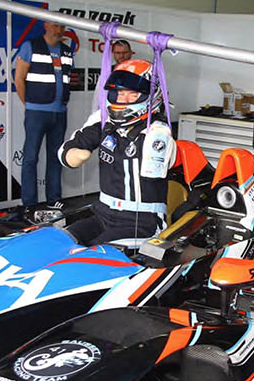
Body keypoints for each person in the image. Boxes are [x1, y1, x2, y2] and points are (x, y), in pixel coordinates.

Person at [58, 59, 176, 246]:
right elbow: (68, 150)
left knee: (88, 258)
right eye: (120, 93)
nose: (124, 99)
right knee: (59, 241)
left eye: (132, 94)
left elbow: (153, 172)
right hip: (103, 215)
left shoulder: (157, 133)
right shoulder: (104, 119)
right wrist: (73, 153)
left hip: (141, 223)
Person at [14, 20, 74, 211]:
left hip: (60, 113)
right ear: (46, 25)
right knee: (30, 158)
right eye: (56, 26)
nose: (59, 30)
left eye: (62, 27)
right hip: (37, 112)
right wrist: (30, 103)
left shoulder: (66, 51)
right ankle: (29, 203)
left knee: (56, 157)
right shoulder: (31, 46)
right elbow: (19, 79)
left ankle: (53, 199)